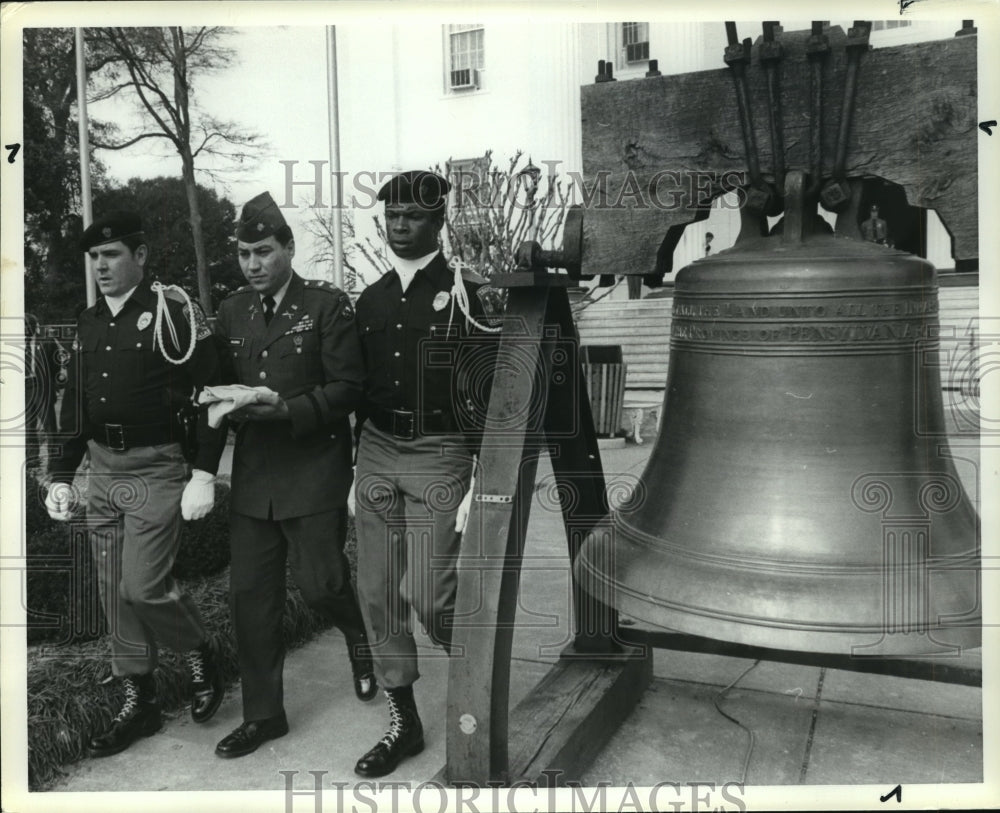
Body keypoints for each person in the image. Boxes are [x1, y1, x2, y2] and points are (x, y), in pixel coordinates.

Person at [46, 210, 226, 757]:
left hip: (156, 466)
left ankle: (198, 652)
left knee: (143, 586)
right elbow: (75, 404)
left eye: (112, 255)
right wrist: (58, 473)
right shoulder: (89, 321)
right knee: (112, 592)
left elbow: (214, 393)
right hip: (102, 468)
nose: (101, 265)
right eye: (95, 258)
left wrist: (204, 471)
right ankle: (140, 698)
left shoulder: (175, 314)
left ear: (140, 256)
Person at [210, 192, 375, 760]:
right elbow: (213, 382)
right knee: (250, 600)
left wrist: (286, 409)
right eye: (243, 254)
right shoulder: (232, 312)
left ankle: (358, 635)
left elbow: (350, 387)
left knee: (321, 584)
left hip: (314, 468)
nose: (253, 264)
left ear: (288, 248)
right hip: (255, 478)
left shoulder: (326, 305)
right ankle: (265, 716)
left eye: (263, 252)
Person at [352, 170, 498, 778]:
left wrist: (484, 476)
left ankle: (474, 661)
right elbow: (354, 390)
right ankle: (402, 718)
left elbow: (492, 391)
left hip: (441, 451)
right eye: (391, 216)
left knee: (429, 594)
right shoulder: (372, 298)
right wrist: (351, 467)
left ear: (439, 222)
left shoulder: (468, 293)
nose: (400, 225)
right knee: (378, 590)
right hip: (379, 449)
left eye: (413, 216)